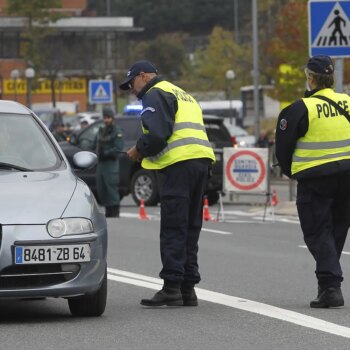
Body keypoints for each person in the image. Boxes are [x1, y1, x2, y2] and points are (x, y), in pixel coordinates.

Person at [120, 60, 215, 307]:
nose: (132, 89)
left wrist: (138, 150)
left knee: (174, 226)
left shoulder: (154, 93)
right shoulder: (183, 94)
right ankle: (187, 289)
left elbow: (158, 134)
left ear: (143, 76)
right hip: (201, 163)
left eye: (132, 83)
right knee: (191, 228)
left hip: (179, 166)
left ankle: (172, 287)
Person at [275, 55, 350, 308]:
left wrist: (293, 172)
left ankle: (330, 287)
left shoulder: (300, 109)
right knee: (337, 229)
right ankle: (327, 284)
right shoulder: (348, 102)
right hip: (347, 176)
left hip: (316, 178)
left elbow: (283, 151)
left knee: (318, 232)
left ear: (310, 78)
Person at [94, 108, 124, 218]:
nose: (106, 120)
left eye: (108, 118)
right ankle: (108, 211)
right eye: (105, 118)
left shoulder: (117, 131)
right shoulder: (102, 131)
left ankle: (114, 213)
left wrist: (105, 153)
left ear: (112, 118)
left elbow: (118, 149)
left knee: (111, 189)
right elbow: (94, 144)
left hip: (111, 164)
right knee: (102, 189)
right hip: (101, 164)